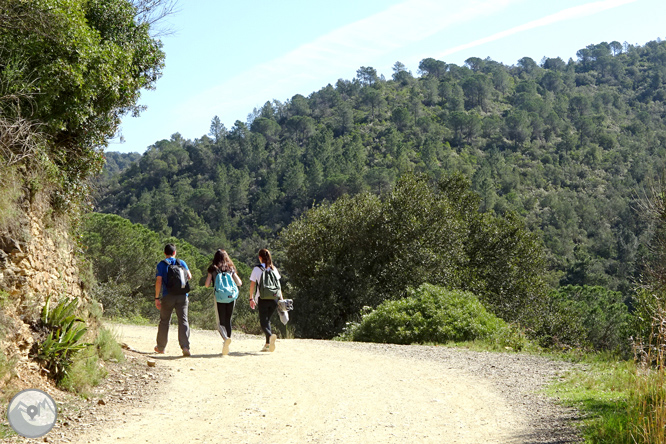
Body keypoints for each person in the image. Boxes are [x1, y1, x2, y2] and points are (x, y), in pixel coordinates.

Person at [154, 243, 192, 356]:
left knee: (164, 321)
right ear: (175, 252)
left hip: (168, 296)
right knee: (183, 320)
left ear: (164, 253)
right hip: (182, 296)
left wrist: (157, 297)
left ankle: (161, 347)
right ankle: (185, 347)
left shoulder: (161, 264)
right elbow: (189, 276)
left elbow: (159, 281)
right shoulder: (181, 262)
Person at [205, 249, 242, 355]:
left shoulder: (213, 269)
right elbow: (239, 283)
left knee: (220, 322)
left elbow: (207, 284)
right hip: (231, 297)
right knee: (228, 320)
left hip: (219, 297)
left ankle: (225, 339)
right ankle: (228, 342)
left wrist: (211, 276)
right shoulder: (231, 268)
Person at [249, 248, 283, 352]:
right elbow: (279, 286)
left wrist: (251, 298)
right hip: (274, 298)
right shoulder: (273, 269)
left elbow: (252, 285)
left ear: (260, 258)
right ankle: (268, 344)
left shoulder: (257, 269)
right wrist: (281, 299)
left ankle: (270, 336)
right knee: (267, 320)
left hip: (262, 298)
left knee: (263, 323)